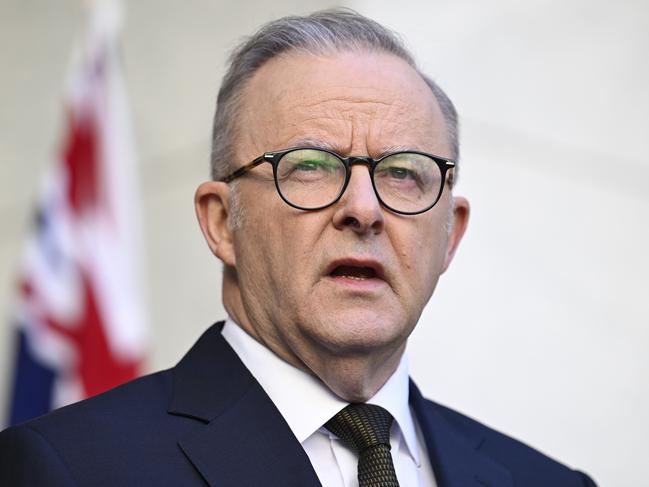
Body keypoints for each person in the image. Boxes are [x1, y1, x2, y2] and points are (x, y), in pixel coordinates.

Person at [0, 9, 596, 487]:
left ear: (450, 234)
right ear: (221, 223)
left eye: (403, 173)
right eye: (310, 166)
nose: (364, 209)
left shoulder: (546, 480)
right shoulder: (67, 468)